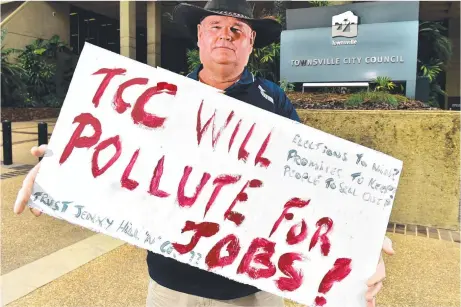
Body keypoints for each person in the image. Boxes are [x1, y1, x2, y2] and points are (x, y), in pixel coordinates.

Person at [13, 0, 395, 306]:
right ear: (199, 36)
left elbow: (313, 178)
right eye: (215, 26)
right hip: (171, 283)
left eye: (237, 29)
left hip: (249, 286)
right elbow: (120, 157)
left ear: (250, 42)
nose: (225, 36)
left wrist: (362, 236)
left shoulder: (273, 101)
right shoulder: (162, 95)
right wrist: (65, 168)